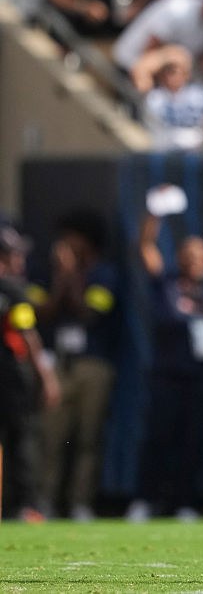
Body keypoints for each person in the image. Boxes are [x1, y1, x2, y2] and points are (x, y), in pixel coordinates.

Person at [126, 187, 203, 522]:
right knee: (158, 437)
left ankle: (185, 502)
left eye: (200, 256)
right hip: (168, 375)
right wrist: (155, 212)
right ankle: (145, 499)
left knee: (192, 441)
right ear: (180, 258)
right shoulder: (167, 283)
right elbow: (145, 246)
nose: (194, 261)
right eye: (188, 255)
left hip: (200, 378)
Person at [35, 210, 118, 522]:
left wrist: (70, 276)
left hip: (93, 364)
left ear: (87, 241)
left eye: (70, 238)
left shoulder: (105, 274)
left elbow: (89, 313)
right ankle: (44, 501)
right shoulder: (47, 272)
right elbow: (41, 312)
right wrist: (61, 278)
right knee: (51, 436)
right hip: (58, 364)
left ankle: (80, 503)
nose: (64, 244)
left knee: (88, 437)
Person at [0, 220, 60, 522]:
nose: (20, 260)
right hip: (12, 376)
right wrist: (47, 377)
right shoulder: (14, 289)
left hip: (10, 376)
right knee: (22, 437)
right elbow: (28, 334)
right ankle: (25, 505)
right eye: (15, 254)